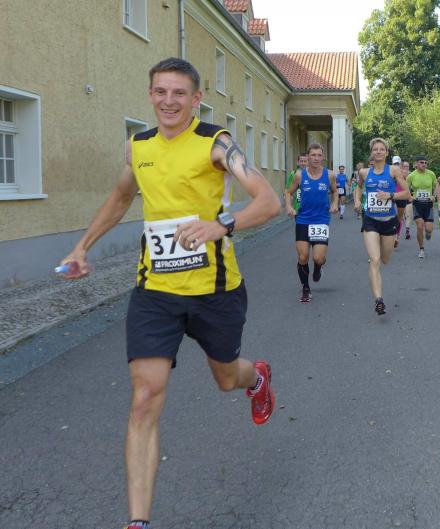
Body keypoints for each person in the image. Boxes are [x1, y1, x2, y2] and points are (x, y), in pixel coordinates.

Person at [57, 58, 280, 529]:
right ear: (150, 95)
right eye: (160, 91)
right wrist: (82, 246)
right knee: (144, 396)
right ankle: (138, 522)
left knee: (226, 378)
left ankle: (256, 377)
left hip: (215, 290)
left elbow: (268, 201)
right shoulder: (138, 146)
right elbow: (121, 198)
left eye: (179, 93)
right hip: (155, 291)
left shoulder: (216, 143)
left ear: (196, 98)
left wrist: (220, 224)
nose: (169, 101)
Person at [354, 138, 411, 315]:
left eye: (381, 149)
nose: (378, 152)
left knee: (385, 259)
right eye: (375, 149)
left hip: (389, 221)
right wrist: (357, 200)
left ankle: (381, 249)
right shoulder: (364, 172)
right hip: (370, 220)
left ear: (386, 153)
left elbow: (407, 193)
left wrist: (390, 195)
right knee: (375, 260)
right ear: (371, 152)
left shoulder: (393, 170)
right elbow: (358, 188)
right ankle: (379, 299)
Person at [285, 143, 338, 302]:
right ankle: (305, 288)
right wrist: (289, 207)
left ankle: (318, 267)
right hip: (303, 219)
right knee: (303, 257)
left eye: (319, 155)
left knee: (318, 258)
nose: (316, 158)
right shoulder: (299, 175)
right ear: (308, 157)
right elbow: (288, 192)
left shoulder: (330, 175)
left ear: (323, 157)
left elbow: (335, 191)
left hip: (321, 220)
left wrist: (335, 203)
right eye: (313, 155)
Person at [406, 155, 440, 258]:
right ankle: (421, 249)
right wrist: (410, 197)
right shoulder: (411, 176)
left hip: (428, 204)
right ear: (416, 164)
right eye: (421, 162)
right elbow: (405, 188)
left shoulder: (431, 174)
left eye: (425, 163)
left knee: (429, 229)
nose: (424, 164)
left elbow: (437, 186)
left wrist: (434, 196)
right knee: (420, 226)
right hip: (417, 204)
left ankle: (428, 233)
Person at [390, 155, 410, 246]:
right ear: (392, 164)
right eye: (395, 164)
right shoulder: (389, 171)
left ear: (401, 164)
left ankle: (397, 236)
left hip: (402, 196)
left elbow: (408, 181)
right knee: (391, 215)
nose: (396, 165)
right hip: (392, 196)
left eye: (398, 164)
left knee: (399, 217)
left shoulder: (405, 172)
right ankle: (391, 235)